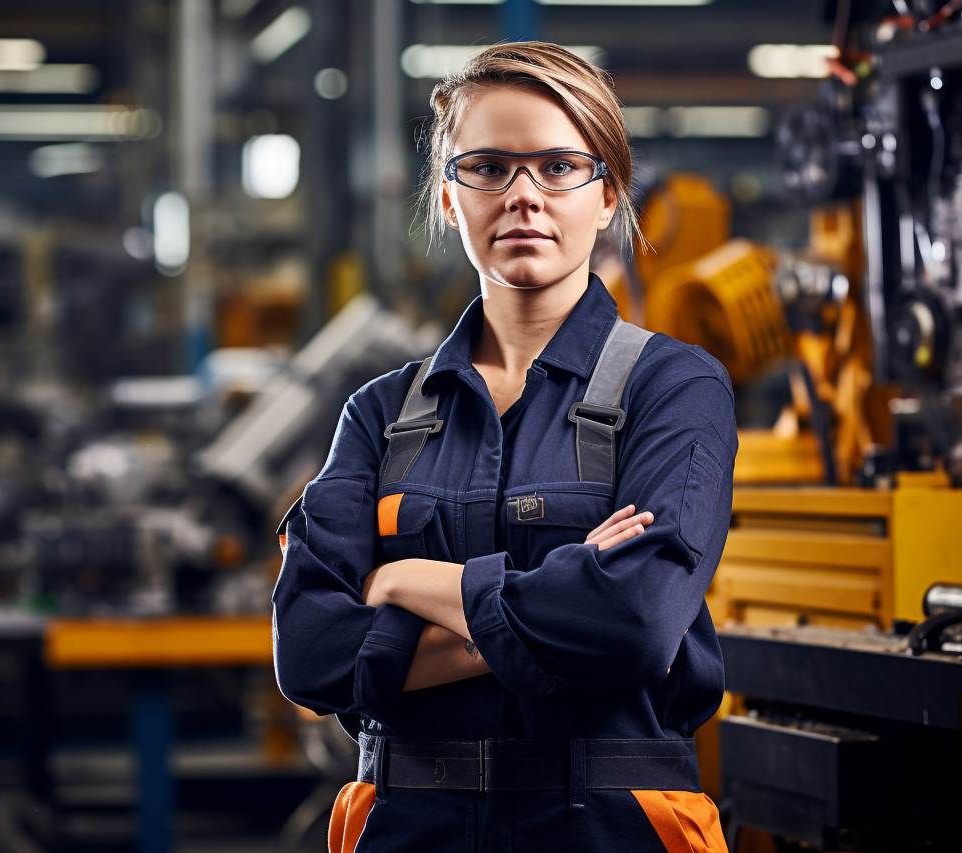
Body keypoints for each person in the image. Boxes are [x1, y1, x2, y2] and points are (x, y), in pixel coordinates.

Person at [272, 41, 735, 852]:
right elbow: (309, 653)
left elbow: (632, 624)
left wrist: (407, 579)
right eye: (487, 167)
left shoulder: (673, 388)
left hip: (611, 827)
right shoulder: (379, 415)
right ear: (450, 199)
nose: (523, 195)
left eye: (558, 166)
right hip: (411, 828)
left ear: (608, 195)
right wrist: (560, 607)